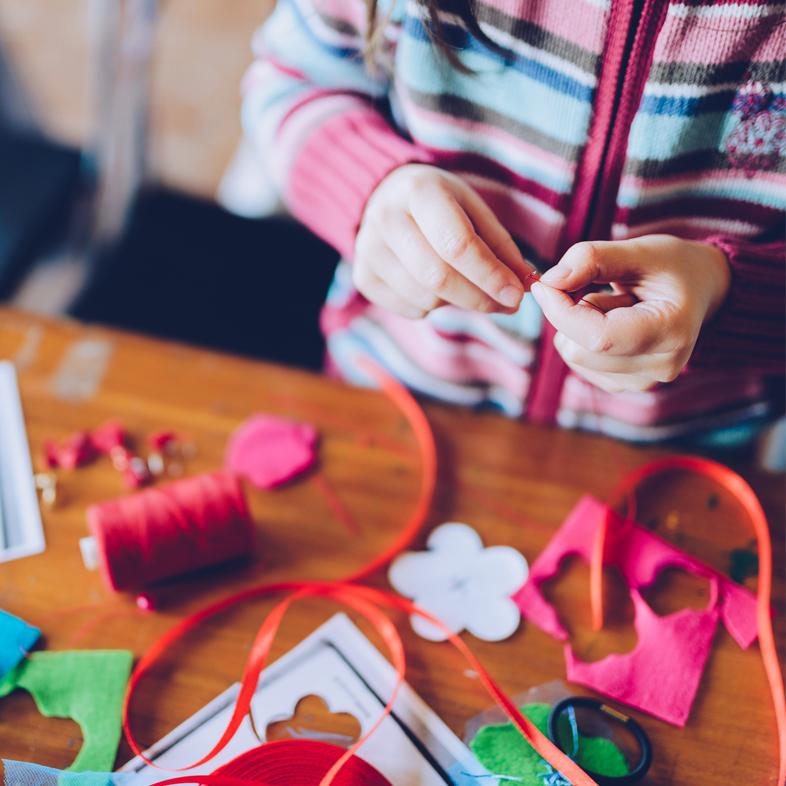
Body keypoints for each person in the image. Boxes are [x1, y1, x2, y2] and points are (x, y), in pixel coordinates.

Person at [240, 0, 785, 443]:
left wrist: (724, 294)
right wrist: (364, 188)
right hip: (389, 406)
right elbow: (289, 79)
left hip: (691, 464)